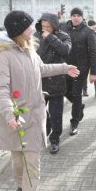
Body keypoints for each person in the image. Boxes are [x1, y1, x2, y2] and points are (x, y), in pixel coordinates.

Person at [0, 10, 79, 191]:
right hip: (15, 120)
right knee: (18, 161)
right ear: (19, 30)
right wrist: (10, 115)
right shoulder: (3, 56)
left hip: (33, 119)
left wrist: (64, 68)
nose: (36, 28)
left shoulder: (30, 48)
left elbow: (42, 69)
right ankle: (20, 187)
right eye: (31, 26)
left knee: (32, 167)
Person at [34, 13, 72, 154]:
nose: (45, 29)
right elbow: (35, 55)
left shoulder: (63, 36)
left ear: (54, 26)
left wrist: (50, 38)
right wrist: (44, 39)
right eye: (43, 26)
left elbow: (65, 50)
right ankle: (47, 126)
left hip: (57, 81)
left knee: (57, 114)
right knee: (40, 112)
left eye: (48, 26)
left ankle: (55, 139)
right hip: (40, 82)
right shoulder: (36, 37)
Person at [63, 8, 96, 136]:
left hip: (81, 68)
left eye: (78, 15)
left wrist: (93, 72)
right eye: (74, 15)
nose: (76, 18)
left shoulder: (88, 32)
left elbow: (93, 53)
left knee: (77, 94)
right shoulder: (63, 29)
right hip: (66, 68)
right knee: (65, 91)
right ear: (71, 17)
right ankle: (79, 107)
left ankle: (74, 121)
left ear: (82, 18)